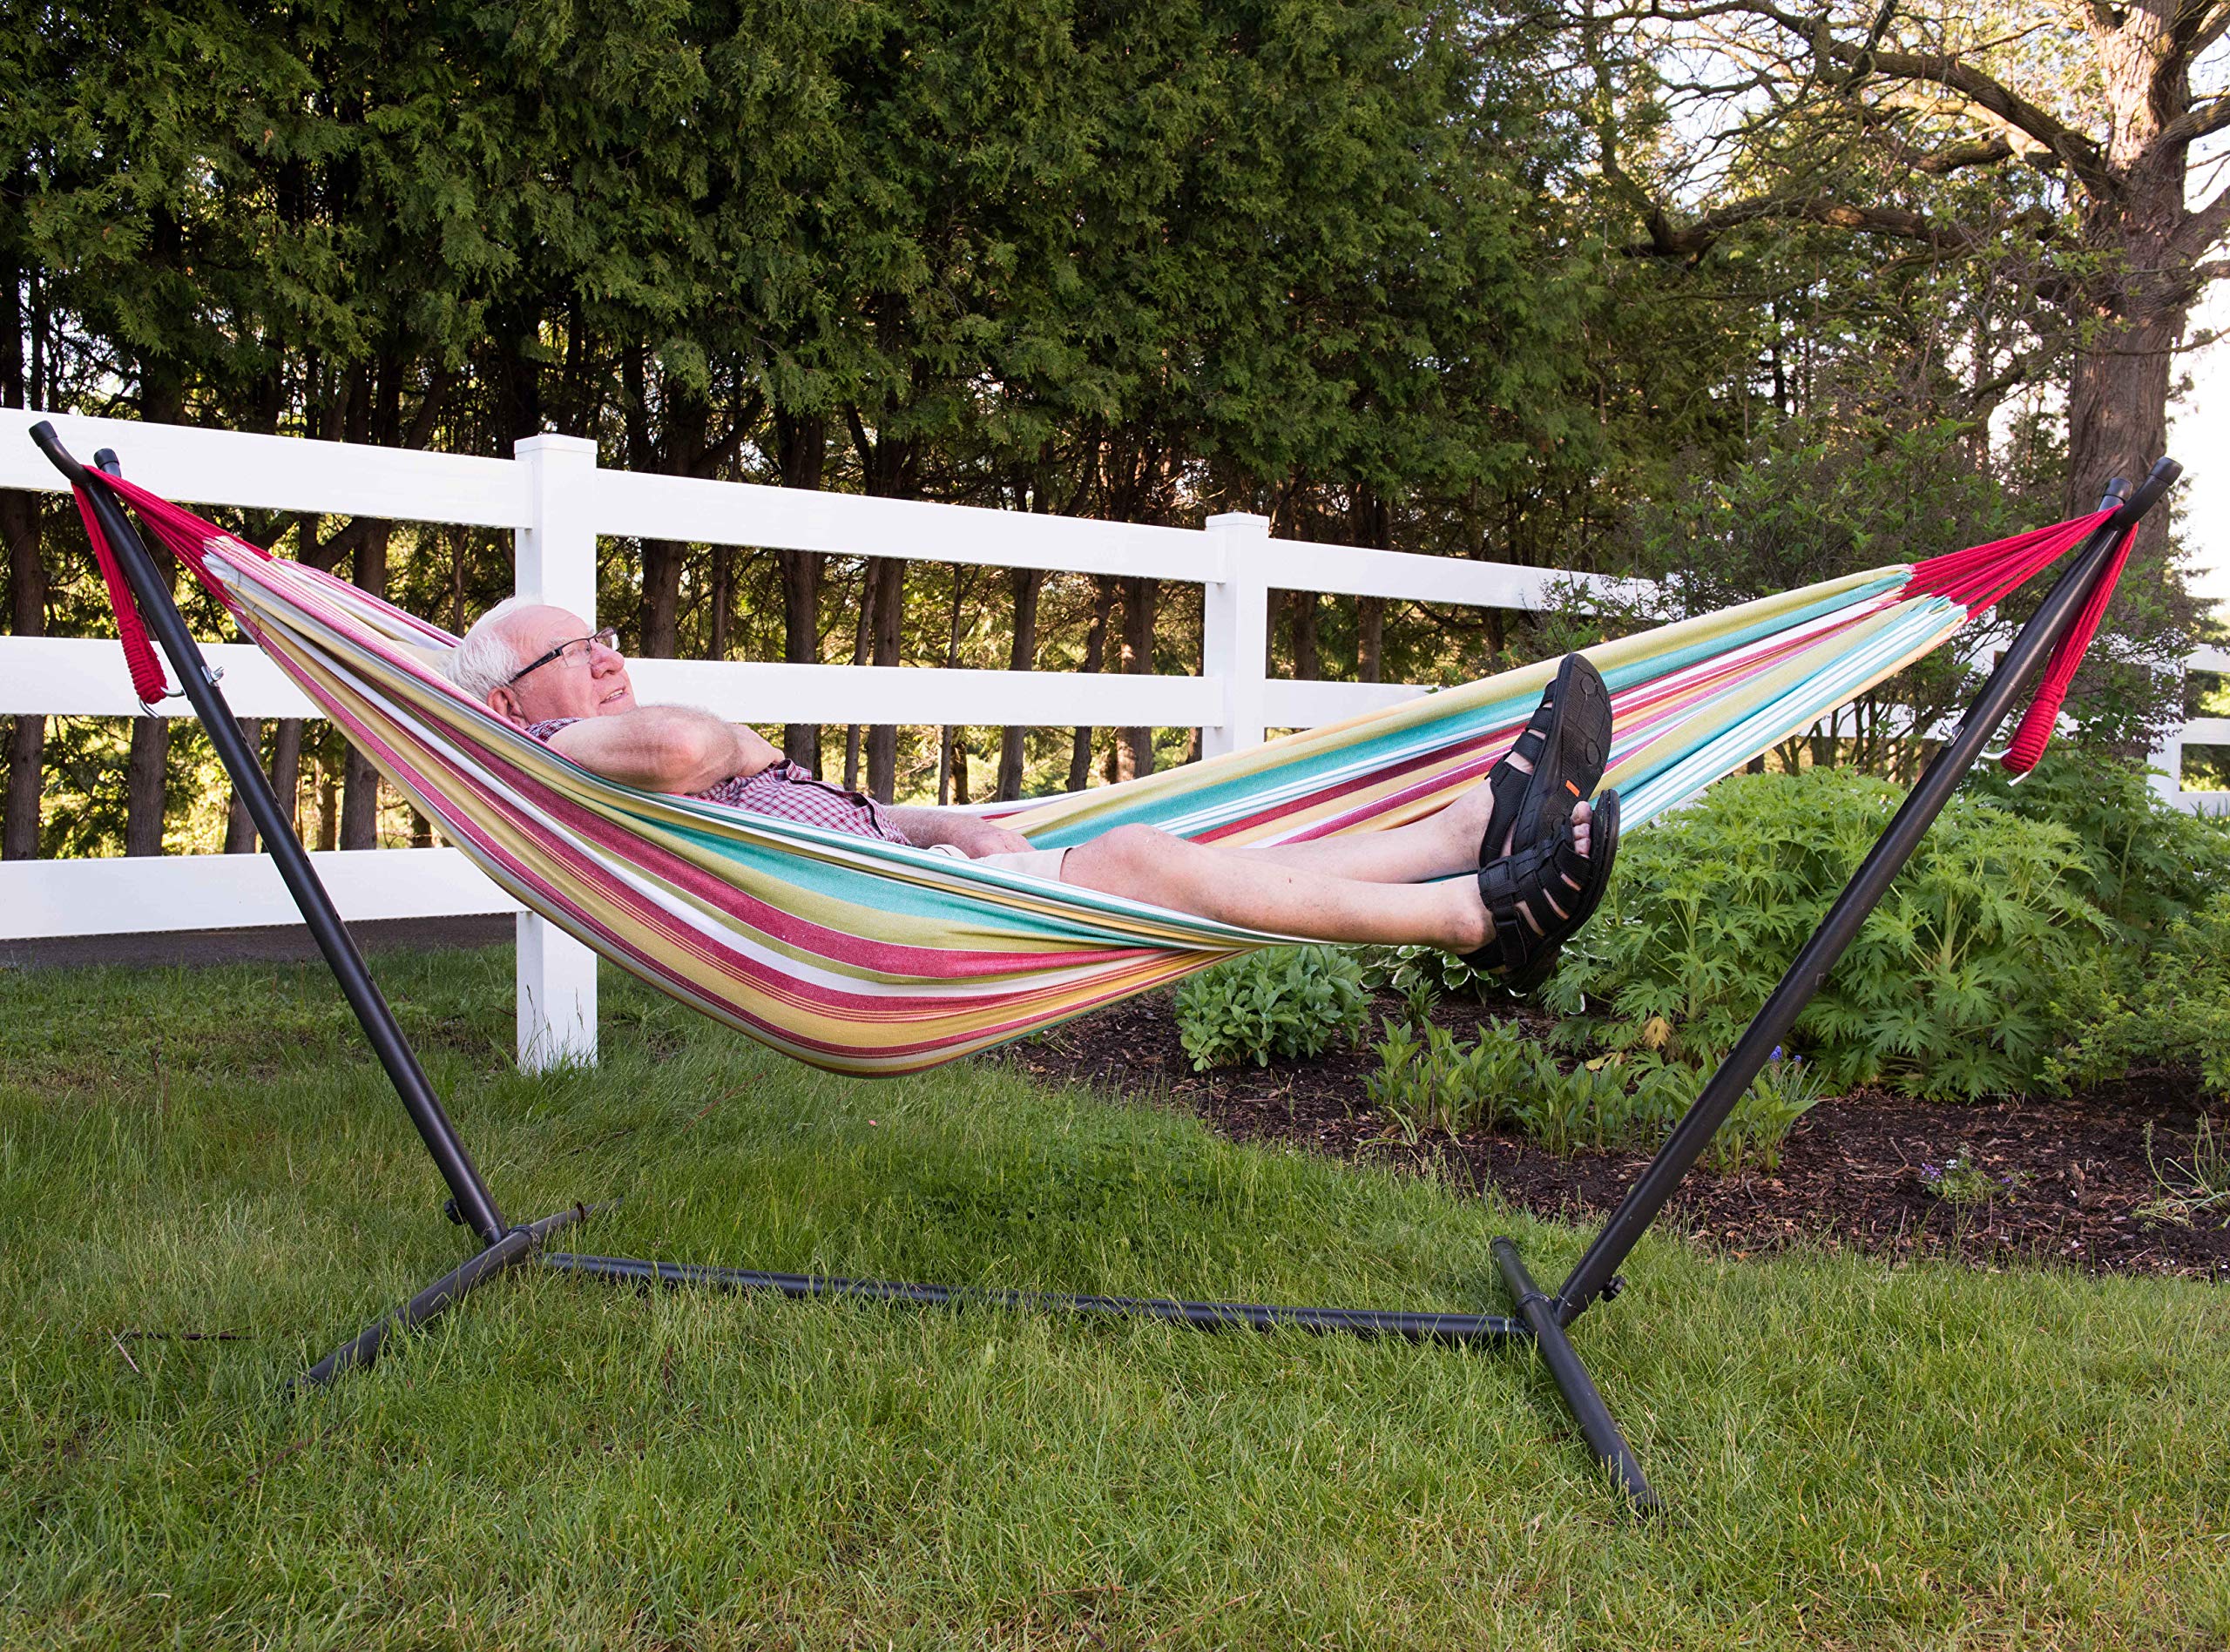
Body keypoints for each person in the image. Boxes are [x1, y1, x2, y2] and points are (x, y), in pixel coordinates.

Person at [445, 597, 1618, 975]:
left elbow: (806, 800)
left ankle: (1465, 830)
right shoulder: (556, 760)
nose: (609, 659)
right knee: (1139, 862)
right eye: (577, 653)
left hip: (904, 876)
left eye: (604, 639)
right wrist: (604, 734)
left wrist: (943, 823)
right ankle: (1480, 920)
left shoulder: (595, 747)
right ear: (511, 706)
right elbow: (694, 747)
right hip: (877, 933)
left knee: (1194, 865)